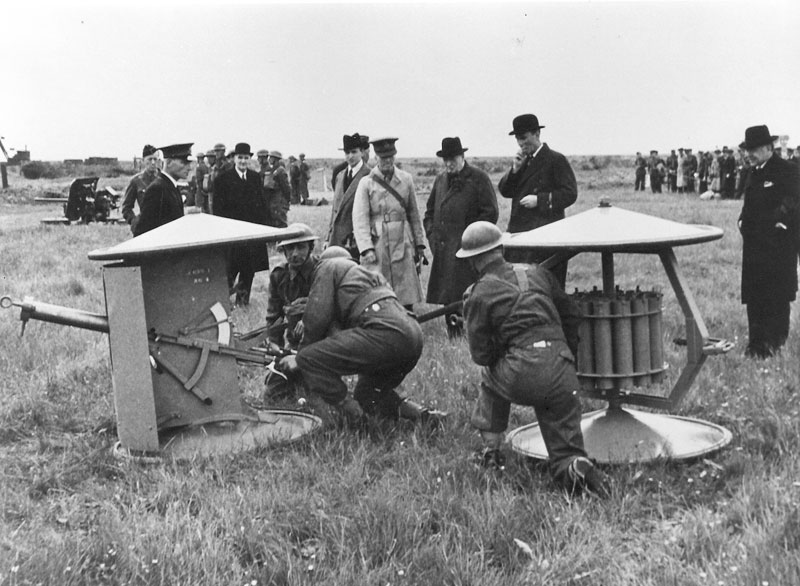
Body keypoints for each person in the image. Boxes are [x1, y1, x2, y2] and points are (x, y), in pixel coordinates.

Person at [457, 221, 611, 497]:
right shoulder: (538, 272)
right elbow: (572, 314)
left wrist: (506, 352)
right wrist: (565, 355)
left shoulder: (478, 292)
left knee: (490, 377)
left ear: (473, 262)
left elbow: (481, 355)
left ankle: (491, 452)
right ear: (501, 248)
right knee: (564, 442)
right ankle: (574, 466)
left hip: (521, 371)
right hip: (561, 367)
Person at [279, 246, 445, 427]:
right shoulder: (369, 278)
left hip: (385, 335)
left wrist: (299, 356)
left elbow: (316, 319)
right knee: (367, 394)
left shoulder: (328, 267)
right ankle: (422, 416)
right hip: (412, 336)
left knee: (308, 358)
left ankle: (359, 422)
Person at [424, 136, 498, 338]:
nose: (449, 164)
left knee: (468, 297)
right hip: (444, 252)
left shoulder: (478, 178)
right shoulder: (440, 180)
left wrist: (473, 241)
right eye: (445, 159)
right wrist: (432, 238)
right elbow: (429, 213)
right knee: (449, 300)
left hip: (469, 254)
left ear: (462, 156)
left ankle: (474, 337)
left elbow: (490, 213)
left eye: (453, 159)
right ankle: (454, 337)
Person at [737, 125, 800, 358]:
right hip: (754, 248)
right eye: (746, 149)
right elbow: (749, 205)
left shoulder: (788, 170)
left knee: (776, 296)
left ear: (768, 147)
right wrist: (741, 221)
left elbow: (794, 200)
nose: (748, 154)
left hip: (778, 247)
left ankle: (774, 344)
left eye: (753, 149)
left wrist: (781, 221)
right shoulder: (754, 172)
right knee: (755, 296)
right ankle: (755, 345)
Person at [498, 113, 578, 284]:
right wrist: (514, 170)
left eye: (524, 138)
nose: (520, 143)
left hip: (545, 237)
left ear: (537, 134)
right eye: (518, 139)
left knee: (546, 286)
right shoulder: (522, 161)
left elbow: (570, 193)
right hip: (520, 236)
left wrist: (539, 200)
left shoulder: (555, 160)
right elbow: (505, 190)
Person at [353, 137, 427, 309]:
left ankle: (408, 322)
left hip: (402, 240)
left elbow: (414, 215)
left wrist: (420, 244)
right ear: (375, 158)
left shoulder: (406, 179)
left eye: (390, 157)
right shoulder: (366, 183)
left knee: (405, 291)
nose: (387, 161)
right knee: (378, 289)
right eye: (382, 157)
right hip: (378, 243)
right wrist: (366, 248)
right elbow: (360, 219)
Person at [263, 224, 320, 399]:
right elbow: (274, 316)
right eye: (290, 248)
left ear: (310, 247)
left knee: (317, 396)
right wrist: (274, 344)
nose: (295, 253)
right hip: (294, 347)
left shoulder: (321, 271)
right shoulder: (279, 275)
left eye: (301, 247)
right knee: (272, 393)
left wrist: (309, 319)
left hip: (320, 346)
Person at [213, 142, 271, 306]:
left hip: (251, 235)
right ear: (234, 159)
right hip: (232, 236)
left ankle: (243, 302)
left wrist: (265, 227)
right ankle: (223, 304)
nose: (243, 161)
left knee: (248, 269)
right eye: (240, 158)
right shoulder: (222, 180)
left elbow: (261, 203)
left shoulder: (254, 177)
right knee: (229, 270)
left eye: (246, 158)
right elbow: (218, 211)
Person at [325, 133, 372, 260]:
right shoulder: (340, 176)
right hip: (337, 239)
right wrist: (328, 238)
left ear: (362, 152)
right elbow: (335, 210)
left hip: (355, 241)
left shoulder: (369, 176)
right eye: (347, 152)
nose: (350, 156)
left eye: (354, 152)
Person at [133, 143, 193, 236]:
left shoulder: (172, 187)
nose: (189, 168)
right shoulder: (157, 189)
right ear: (168, 163)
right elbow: (143, 232)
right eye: (183, 163)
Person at [121, 144, 159, 233]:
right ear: (143, 161)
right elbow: (126, 208)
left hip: (163, 227)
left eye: (155, 159)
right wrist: (135, 221)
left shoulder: (163, 179)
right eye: (150, 159)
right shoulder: (136, 181)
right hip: (145, 228)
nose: (153, 162)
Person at [261, 150, 291, 228]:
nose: (269, 159)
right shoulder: (273, 170)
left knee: (281, 222)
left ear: (276, 159)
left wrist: (287, 200)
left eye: (271, 157)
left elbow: (286, 187)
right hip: (273, 201)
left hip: (279, 201)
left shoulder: (280, 171)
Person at [207, 142, 233, 215]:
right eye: (215, 151)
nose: (216, 153)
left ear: (224, 151)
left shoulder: (227, 165)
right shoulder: (215, 165)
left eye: (218, 151)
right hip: (215, 193)